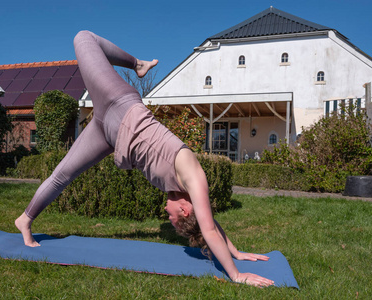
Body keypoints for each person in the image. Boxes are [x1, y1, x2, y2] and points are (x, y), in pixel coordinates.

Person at [15, 30, 274, 287]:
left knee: (63, 175)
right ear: (185, 210)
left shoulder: (187, 198)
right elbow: (207, 228)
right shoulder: (193, 175)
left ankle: (25, 219)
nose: (165, 212)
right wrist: (236, 274)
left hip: (107, 135)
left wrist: (236, 252)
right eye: (171, 218)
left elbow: (209, 223)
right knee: (83, 38)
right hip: (118, 102)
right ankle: (137, 64)